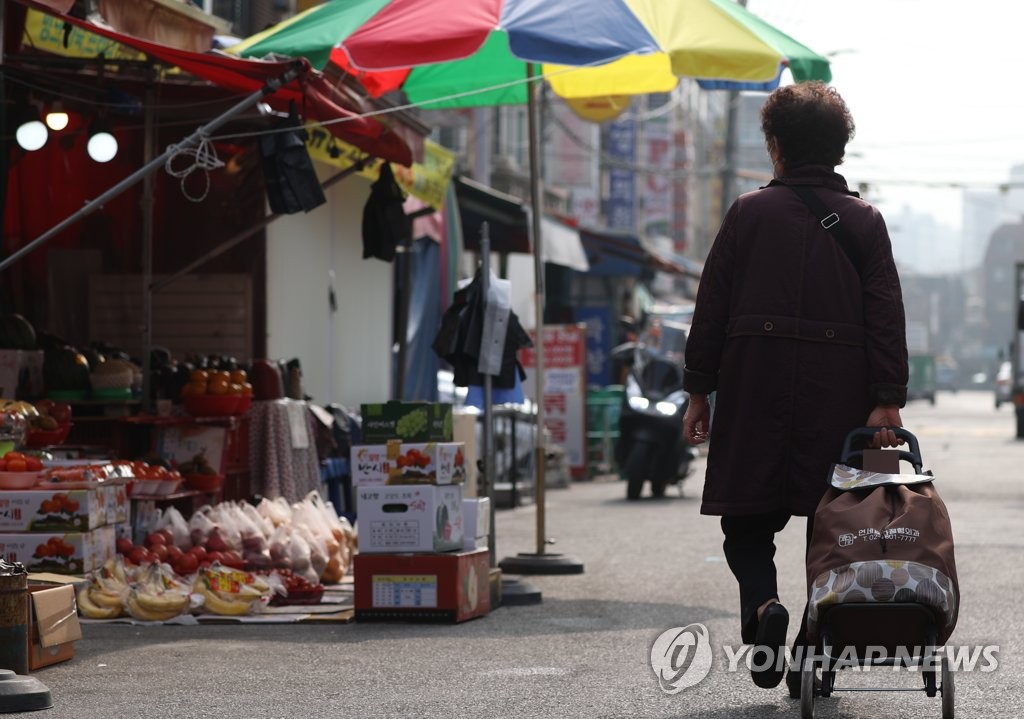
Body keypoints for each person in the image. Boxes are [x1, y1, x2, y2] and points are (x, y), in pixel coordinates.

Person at [680, 82, 908, 698]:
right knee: (844, 527)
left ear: (775, 146)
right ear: (838, 149)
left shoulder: (748, 212)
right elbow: (886, 313)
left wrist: (699, 390)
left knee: (747, 519)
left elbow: (712, 306)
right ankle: (817, 641)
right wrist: (887, 398)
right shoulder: (865, 221)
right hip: (849, 395)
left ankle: (762, 607)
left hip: (754, 379)